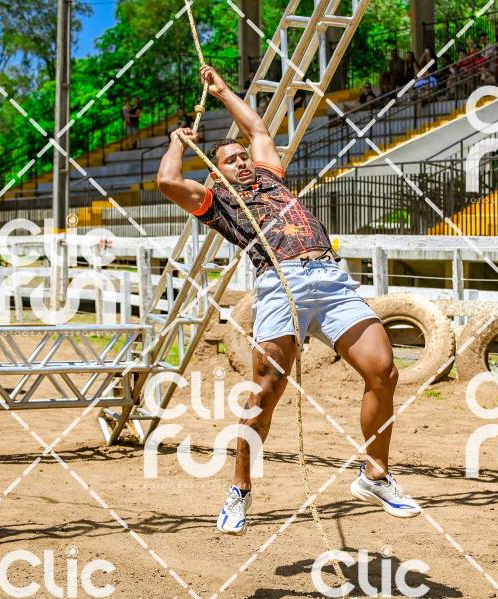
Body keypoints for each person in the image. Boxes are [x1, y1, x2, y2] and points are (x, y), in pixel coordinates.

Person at [156, 64, 423, 536]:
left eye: (243, 156)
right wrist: (178, 141)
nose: (242, 161)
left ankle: (375, 475)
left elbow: (258, 130)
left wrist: (223, 92)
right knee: (264, 395)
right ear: (217, 173)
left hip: (331, 278)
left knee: (384, 371)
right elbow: (167, 182)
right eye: (231, 160)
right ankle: (239, 490)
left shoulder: (271, 178)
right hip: (281, 285)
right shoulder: (217, 202)